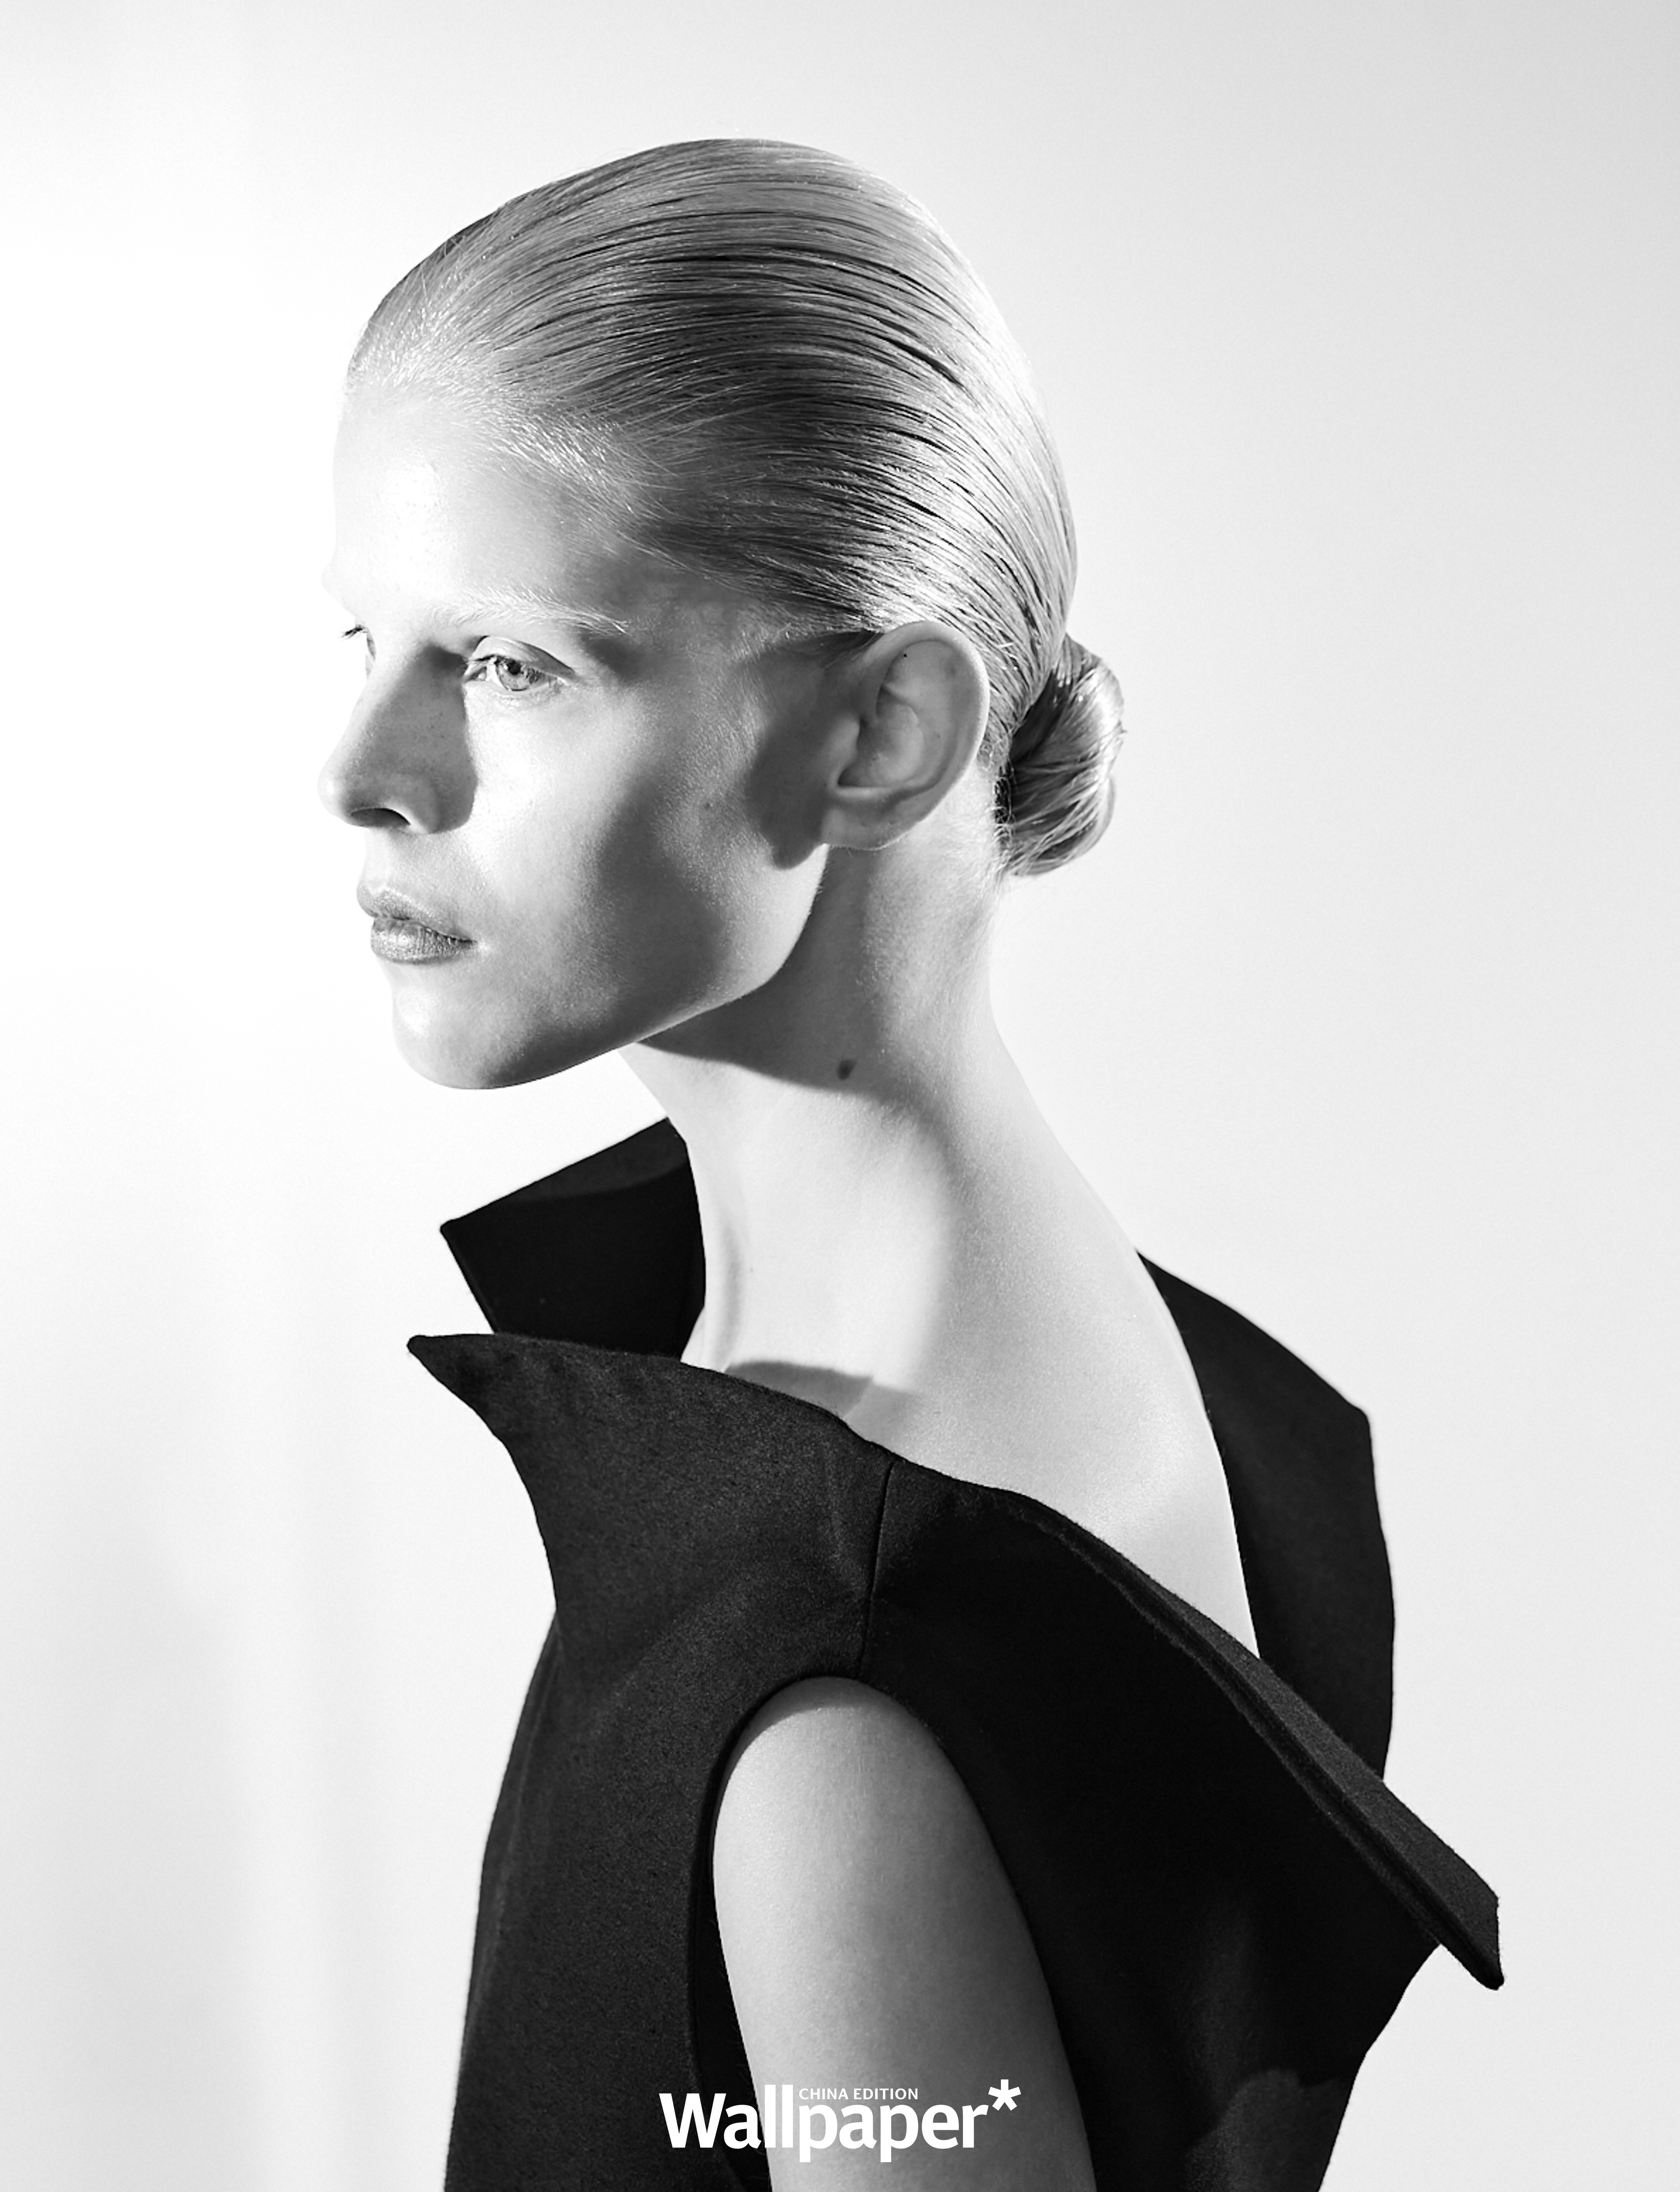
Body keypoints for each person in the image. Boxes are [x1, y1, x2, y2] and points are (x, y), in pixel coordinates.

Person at [318, 139, 1499, 2191]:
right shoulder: (1109, 1378)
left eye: (511, 664)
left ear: (875, 740)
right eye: (362, 637)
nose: (362, 771)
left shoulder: (835, 1709)